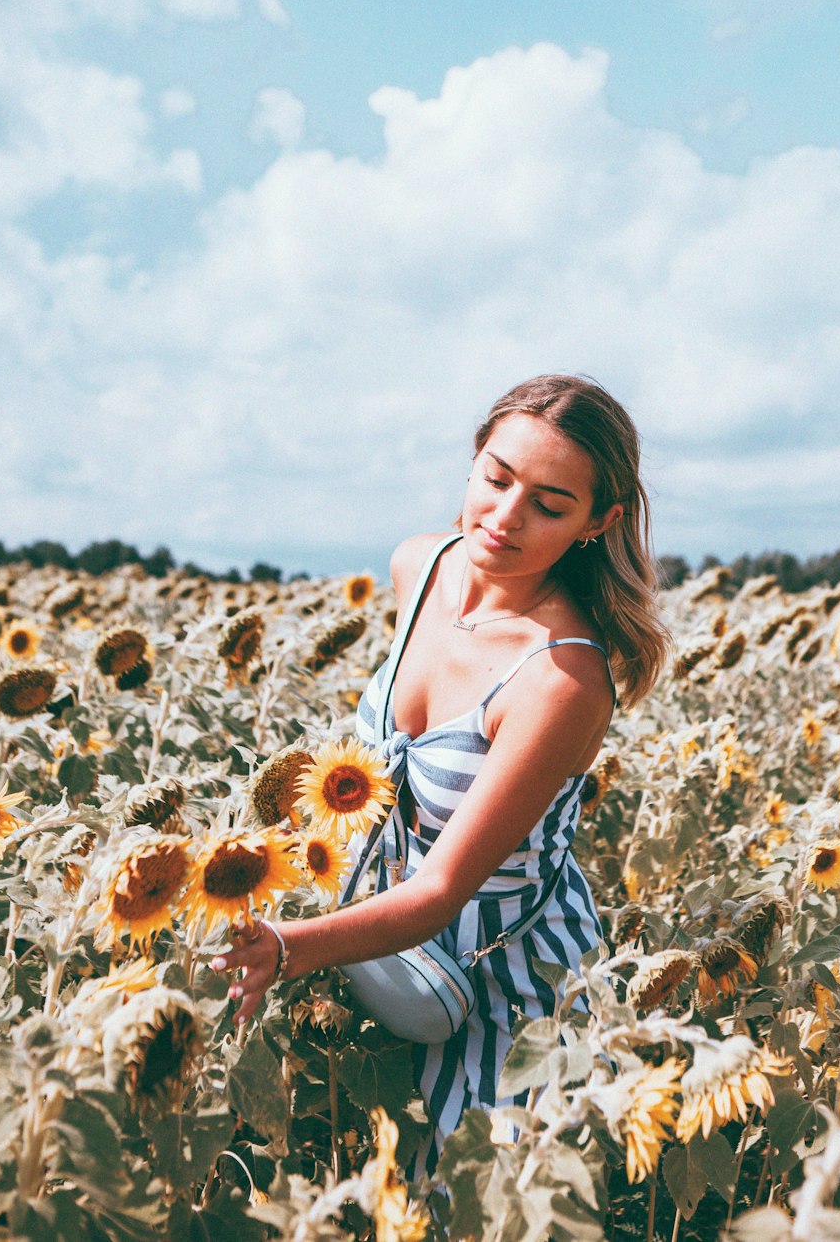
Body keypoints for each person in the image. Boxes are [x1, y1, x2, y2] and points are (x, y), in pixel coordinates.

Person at [213, 373, 670, 1169]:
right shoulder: (418, 567)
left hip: (510, 992)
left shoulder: (561, 679)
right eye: (496, 479)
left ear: (601, 522)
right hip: (375, 944)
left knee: (465, 1200)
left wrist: (289, 947)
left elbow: (440, 892)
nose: (504, 517)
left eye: (549, 505)